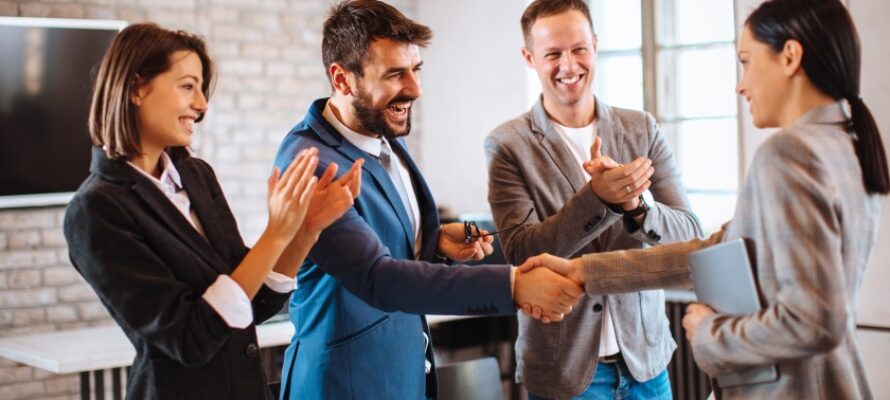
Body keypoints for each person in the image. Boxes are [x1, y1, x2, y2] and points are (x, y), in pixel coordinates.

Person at [522, 0, 889, 398]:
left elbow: (815, 321)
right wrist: (585, 273)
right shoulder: (848, 142)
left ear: (790, 56)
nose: (740, 84)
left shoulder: (789, 153)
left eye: (747, 62)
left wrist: (710, 333)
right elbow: (716, 251)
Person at [271, 1, 586, 398]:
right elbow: (377, 277)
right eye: (395, 74)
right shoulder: (311, 162)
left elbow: (386, 245)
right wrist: (514, 285)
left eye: (416, 70)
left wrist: (432, 241)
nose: (415, 89)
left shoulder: (383, 137)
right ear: (342, 78)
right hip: (344, 385)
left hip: (404, 378)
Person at [63, 23, 361, 400]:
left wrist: (305, 232)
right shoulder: (94, 210)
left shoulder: (196, 176)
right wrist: (276, 234)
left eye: (201, 89)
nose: (202, 104)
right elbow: (188, 339)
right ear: (137, 87)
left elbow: (251, 304)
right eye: (188, 86)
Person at [484, 0, 703, 398]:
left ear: (596, 45)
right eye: (552, 54)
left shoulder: (641, 128)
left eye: (578, 49)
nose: (569, 65)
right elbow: (521, 254)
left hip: (647, 366)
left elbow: (690, 235)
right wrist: (597, 200)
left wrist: (638, 208)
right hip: (565, 374)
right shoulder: (507, 145)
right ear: (529, 57)